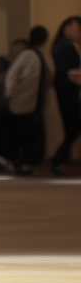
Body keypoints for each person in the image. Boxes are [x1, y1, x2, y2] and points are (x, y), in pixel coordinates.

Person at [0, 26, 48, 175]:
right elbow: (12, 75)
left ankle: (23, 162)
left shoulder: (32, 54)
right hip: (24, 101)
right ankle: (21, 162)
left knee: (27, 134)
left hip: (27, 101)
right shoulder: (30, 55)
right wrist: (10, 94)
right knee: (25, 134)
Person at [51, 16, 81, 176]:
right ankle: (58, 161)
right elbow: (68, 72)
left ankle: (59, 161)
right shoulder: (64, 46)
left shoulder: (64, 45)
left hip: (67, 93)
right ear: (67, 26)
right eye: (78, 27)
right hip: (67, 94)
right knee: (74, 129)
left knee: (73, 129)